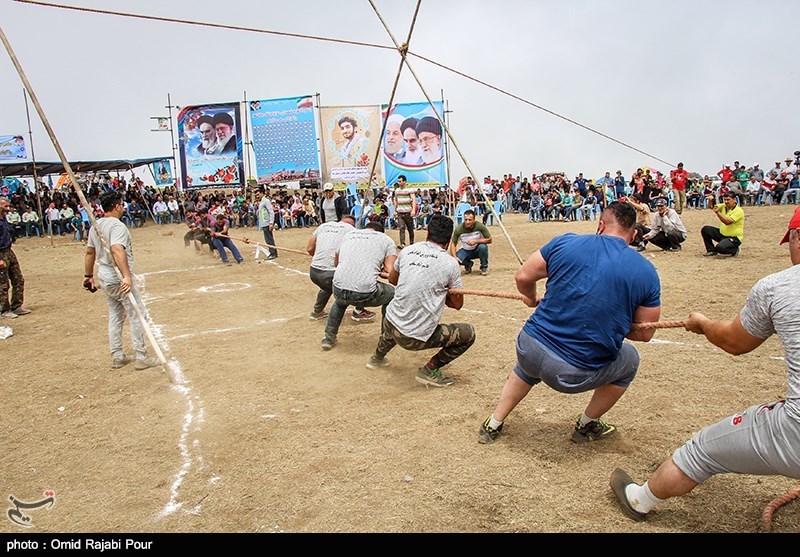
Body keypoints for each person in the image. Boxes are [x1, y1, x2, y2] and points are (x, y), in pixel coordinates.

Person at [610, 206, 800, 523]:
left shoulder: (778, 287)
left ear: (797, 236)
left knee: (700, 452)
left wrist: (702, 323)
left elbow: (734, 342)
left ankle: (640, 499)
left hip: (794, 430)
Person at [478, 201, 660, 445]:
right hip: (570, 372)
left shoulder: (566, 242)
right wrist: (612, 321)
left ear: (601, 225)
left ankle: (494, 423)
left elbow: (523, 276)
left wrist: (531, 299)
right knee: (629, 360)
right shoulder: (646, 271)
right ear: (634, 234)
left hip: (528, 346)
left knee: (527, 367)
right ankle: (587, 425)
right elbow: (645, 333)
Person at [365, 215, 475, 387]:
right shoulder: (450, 264)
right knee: (469, 334)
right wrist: (442, 293)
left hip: (390, 322)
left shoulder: (408, 250)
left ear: (427, 234)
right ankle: (429, 370)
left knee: (397, 317)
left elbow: (393, 280)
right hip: (413, 337)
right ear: (448, 240)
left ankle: (376, 358)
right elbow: (458, 305)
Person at [83, 191, 159, 370]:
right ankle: (141, 356)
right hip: (117, 276)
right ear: (117, 206)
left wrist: (88, 276)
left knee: (116, 315)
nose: (123, 207)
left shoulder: (96, 225)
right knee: (137, 315)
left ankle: (117, 355)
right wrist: (126, 276)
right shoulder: (117, 226)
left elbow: (89, 252)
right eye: (122, 204)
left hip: (105, 276)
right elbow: (117, 250)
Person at [321, 220, 396, 351]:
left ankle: (328, 337)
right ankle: (385, 337)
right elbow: (390, 273)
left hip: (338, 287)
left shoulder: (349, 235)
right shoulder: (386, 240)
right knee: (392, 294)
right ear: (380, 231)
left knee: (340, 302)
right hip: (364, 291)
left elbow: (336, 264)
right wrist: (377, 270)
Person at [306, 213, 375, 322]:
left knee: (327, 286)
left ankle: (317, 311)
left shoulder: (323, 226)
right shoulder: (351, 231)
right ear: (352, 223)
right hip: (331, 274)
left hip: (314, 272)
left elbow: (310, 249)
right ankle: (359, 311)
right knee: (358, 281)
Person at [0, 197, 30, 318]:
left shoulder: (4, 219)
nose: (8, 209)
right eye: (5, 206)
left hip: (9, 251)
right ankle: (4, 309)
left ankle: (17, 306)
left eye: (8, 206)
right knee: (3, 283)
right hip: (1, 253)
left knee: (18, 279)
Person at [701, 190, 744, 257]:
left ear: (734, 200)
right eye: (725, 200)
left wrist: (718, 213)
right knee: (706, 229)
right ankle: (711, 250)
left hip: (734, 238)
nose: (726, 202)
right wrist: (710, 200)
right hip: (723, 234)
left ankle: (734, 249)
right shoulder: (724, 206)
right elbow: (711, 207)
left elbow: (727, 222)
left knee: (720, 248)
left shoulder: (738, 211)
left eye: (728, 200)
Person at [449, 209, 492, 276]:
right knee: (456, 259)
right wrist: (454, 257)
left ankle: (484, 267)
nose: (467, 222)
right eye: (466, 220)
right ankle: (468, 264)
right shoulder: (459, 229)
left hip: (477, 250)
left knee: (483, 247)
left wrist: (476, 241)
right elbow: (453, 244)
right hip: (466, 250)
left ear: (474, 220)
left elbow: (489, 239)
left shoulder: (480, 226)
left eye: (470, 220)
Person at [393, 175, 417, 248]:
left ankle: (412, 243)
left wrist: (413, 210)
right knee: (401, 228)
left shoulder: (410, 190)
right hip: (400, 212)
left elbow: (413, 200)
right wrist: (395, 211)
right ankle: (402, 243)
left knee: (410, 229)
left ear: (404, 181)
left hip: (408, 213)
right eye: (398, 181)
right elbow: (396, 201)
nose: (399, 183)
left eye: (400, 181)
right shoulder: (397, 190)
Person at [256, 188, 277, 260]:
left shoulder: (266, 201)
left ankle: (273, 253)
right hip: (264, 223)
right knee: (268, 239)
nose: (257, 196)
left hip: (267, 223)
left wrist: (271, 222)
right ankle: (273, 252)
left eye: (258, 194)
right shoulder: (261, 201)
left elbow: (271, 211)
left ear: (262, 193)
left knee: (269, 239)